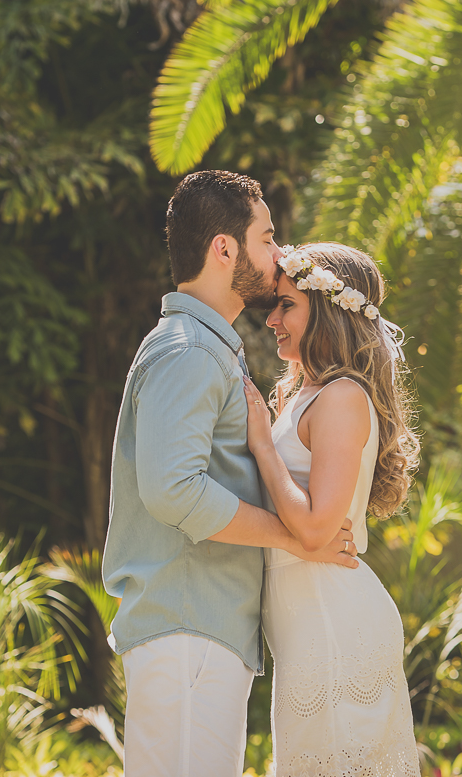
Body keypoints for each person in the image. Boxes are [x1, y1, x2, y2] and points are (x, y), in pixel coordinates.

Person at [101, 171, 360, 777]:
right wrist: (292, 535)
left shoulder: (205, 347)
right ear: (225, 248)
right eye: (267, 239)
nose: (279, 255)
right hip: (188, 631)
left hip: (202, 635)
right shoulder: (189, 350)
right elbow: (173, 490)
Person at [242, 242, 422, 775]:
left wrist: (262, 445)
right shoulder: (300, 395)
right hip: (307, 635)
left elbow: (318, 529)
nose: (272, 319)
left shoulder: (342, 397)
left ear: (327, 311)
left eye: (286, 305)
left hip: (337, 629)